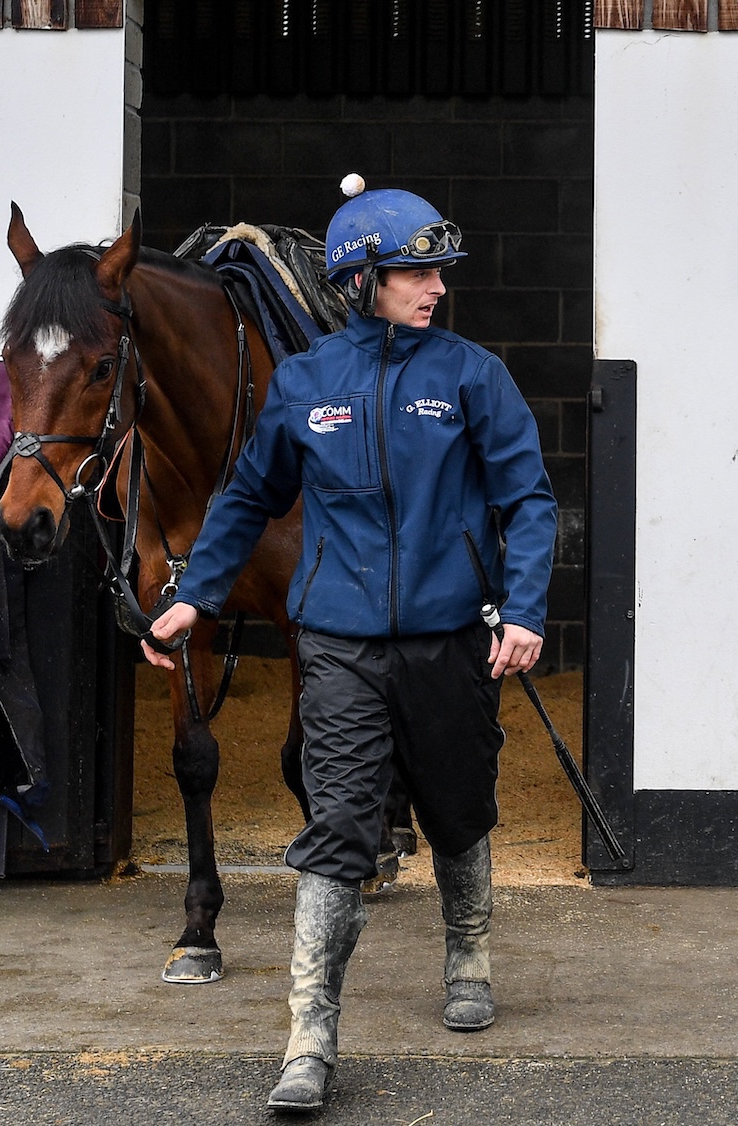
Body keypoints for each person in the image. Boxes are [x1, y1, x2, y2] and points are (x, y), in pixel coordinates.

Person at [144, 178, 557, 1114]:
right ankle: (309, 1038)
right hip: (337, 643)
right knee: (337, 830)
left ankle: (469, 951)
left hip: (453, 638)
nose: (436, 287)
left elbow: (528, 501)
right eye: (417, 270)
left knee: (458, 808)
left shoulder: (471, 376)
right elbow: (248, 497)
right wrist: (194, 598)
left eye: (439, 272)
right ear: (364, 277)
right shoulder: (305, 384)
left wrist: (524, 608)